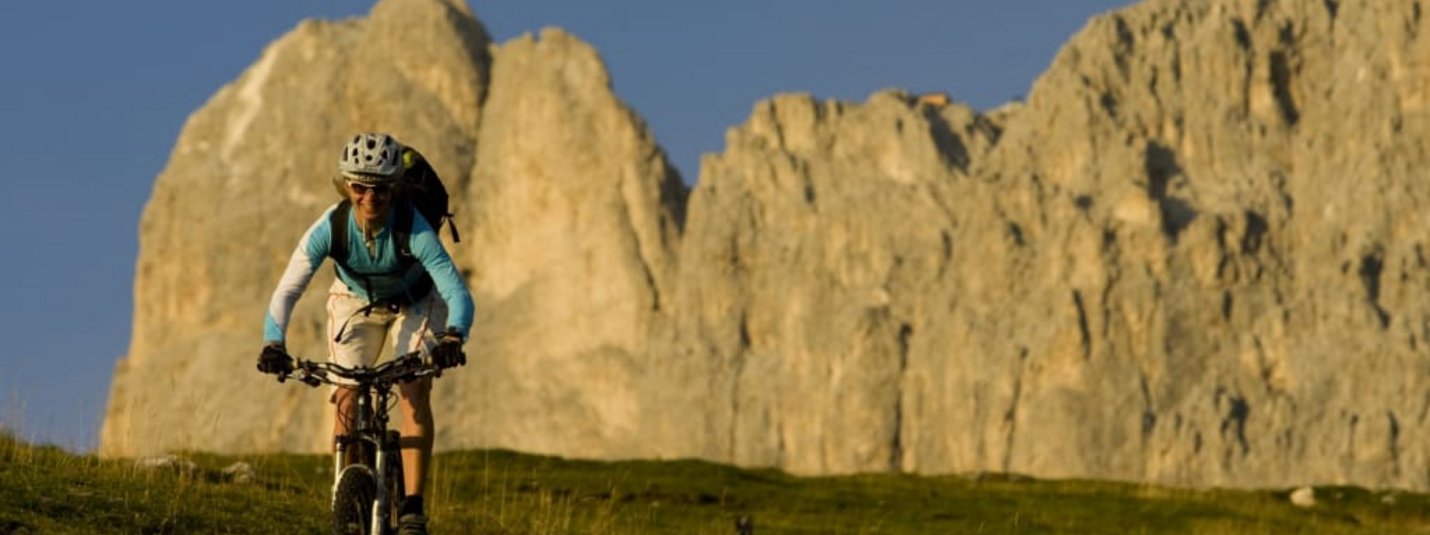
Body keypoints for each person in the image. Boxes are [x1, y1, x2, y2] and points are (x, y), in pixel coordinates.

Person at [256, 132, 473, 535]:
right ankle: (344, 496)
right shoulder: (331, 226)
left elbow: (457, 292)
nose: (369, 197)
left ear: (394, 189)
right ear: (347, 186)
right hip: (355, 299)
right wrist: (274, 342)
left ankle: (412, 509)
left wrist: (454, 337)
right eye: (359, 187)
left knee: (412, 390)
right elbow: (288, 288)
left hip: (417, 299)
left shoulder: (416, 229)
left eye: (380, 189)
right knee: (346, 393)